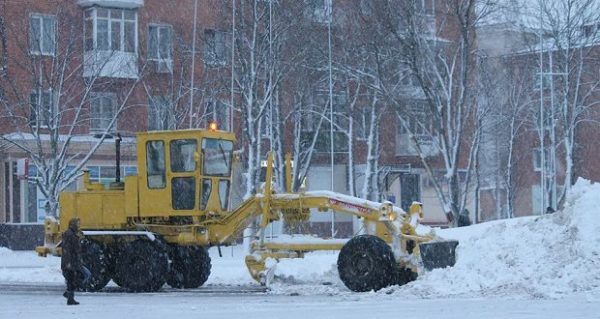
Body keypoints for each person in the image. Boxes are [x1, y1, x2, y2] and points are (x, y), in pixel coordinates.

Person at [61, 217, 89, 305]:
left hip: (74, 261)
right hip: (70, 262)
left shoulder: (74, 234)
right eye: (77, 223)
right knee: (76, 278)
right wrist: (68, 263)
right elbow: (67, 249)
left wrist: (80, 239)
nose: (79, 225)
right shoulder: (69, 234)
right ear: (73, 224)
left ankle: (69, 295)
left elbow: (77, 249)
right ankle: (69, 297)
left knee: (76, 278)